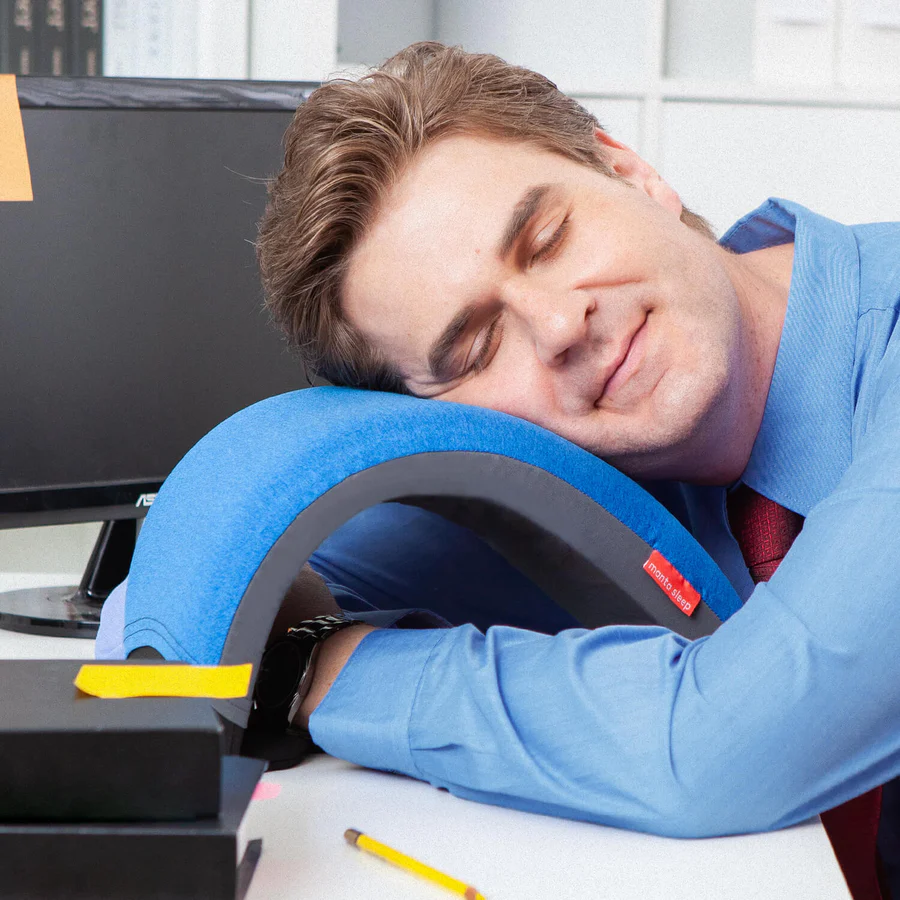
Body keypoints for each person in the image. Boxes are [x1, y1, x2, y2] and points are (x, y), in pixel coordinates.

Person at [97, 40, 900, 897]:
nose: (559, 326)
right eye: (476, 347)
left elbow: (727, 746)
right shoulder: (578, 469)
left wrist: (320, 669)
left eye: (548, 239)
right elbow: (167, 622)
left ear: (631, 172)